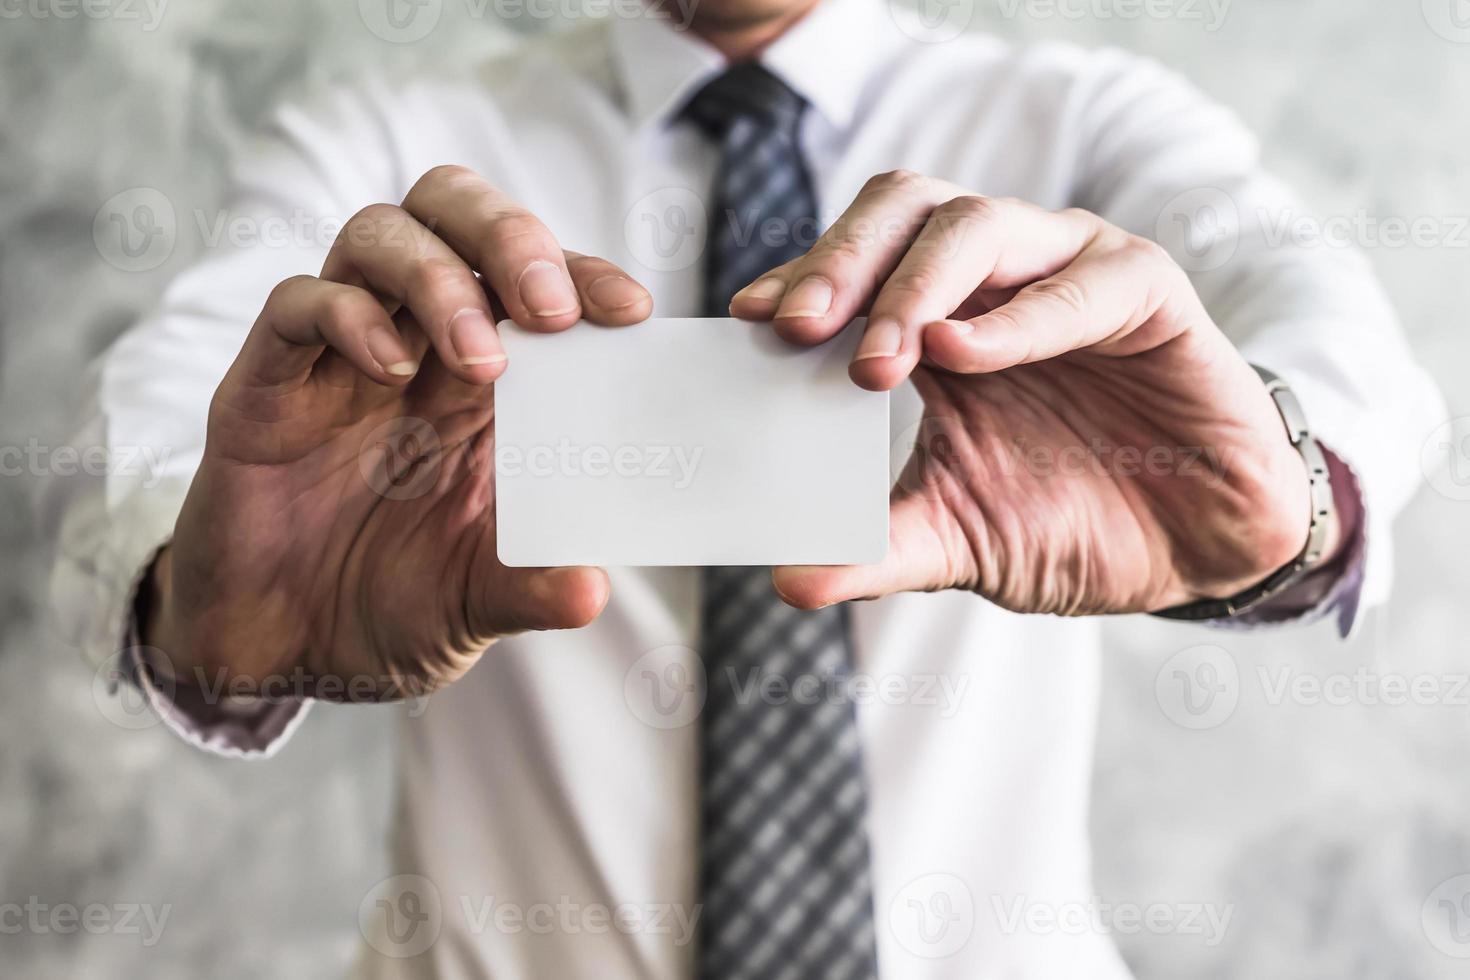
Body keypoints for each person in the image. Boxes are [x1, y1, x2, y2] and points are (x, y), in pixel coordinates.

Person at [48, 0, 1443, 976]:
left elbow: (1344, 339)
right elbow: (166, 413)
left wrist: (1284, 504)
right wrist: (205, 588)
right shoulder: (386, 148)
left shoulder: (1080, 124)